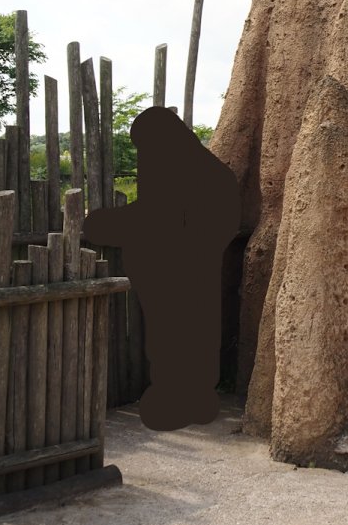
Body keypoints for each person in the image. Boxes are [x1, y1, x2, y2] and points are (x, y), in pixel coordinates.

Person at [83, 107, 240, 430]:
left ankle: (176, 400)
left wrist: (95, 222)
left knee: (172, 337)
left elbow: (151, 217)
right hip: (200, 272)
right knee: (199, 332)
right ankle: (198, 398)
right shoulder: (214, 173)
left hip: (174, 277)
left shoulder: (180, 171)